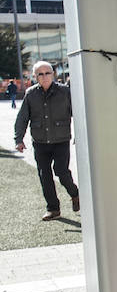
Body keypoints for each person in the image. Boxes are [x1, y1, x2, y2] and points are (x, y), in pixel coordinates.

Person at [13, 61, 80, 221]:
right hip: (40, 142)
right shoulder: (30, 94)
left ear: (53, 74)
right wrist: (18, 139)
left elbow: (77, 114)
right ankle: (53, 209)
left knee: (61, 171)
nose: (44, 77)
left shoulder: (65, 92)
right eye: (40, 74)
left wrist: (81, 134)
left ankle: (75, 193)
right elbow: (22, 118)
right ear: (35, 77)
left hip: (61, 140)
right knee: (45, 175)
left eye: (47, 73)